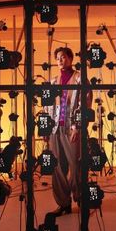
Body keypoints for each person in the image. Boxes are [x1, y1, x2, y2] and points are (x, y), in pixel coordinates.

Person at [45, 47, 92, 217]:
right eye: (57, 58)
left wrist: (78, 127)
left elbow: (85, 104)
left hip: (71, 129)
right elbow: (47, 105)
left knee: (76, 165)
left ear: (71, 59)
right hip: (55, 129)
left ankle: (81, 200)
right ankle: (63, 203)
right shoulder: (52, 82)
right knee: (57, 167)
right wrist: (46, 128)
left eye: (63, 57)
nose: (60, 60)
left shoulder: (80, 79)